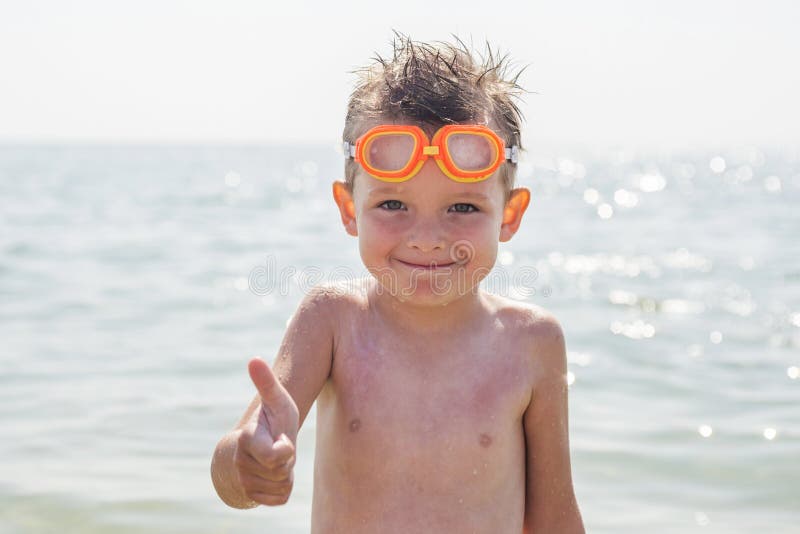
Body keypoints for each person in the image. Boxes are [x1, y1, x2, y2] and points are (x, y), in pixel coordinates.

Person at [211, 33, 585, 533]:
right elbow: (232, 472)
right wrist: (249, 463)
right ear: (349, 209)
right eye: (393, 205)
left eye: (463, 207)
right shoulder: (333, 322)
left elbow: (555, 518)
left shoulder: (533, 343)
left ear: (509, 215)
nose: (427, 239)